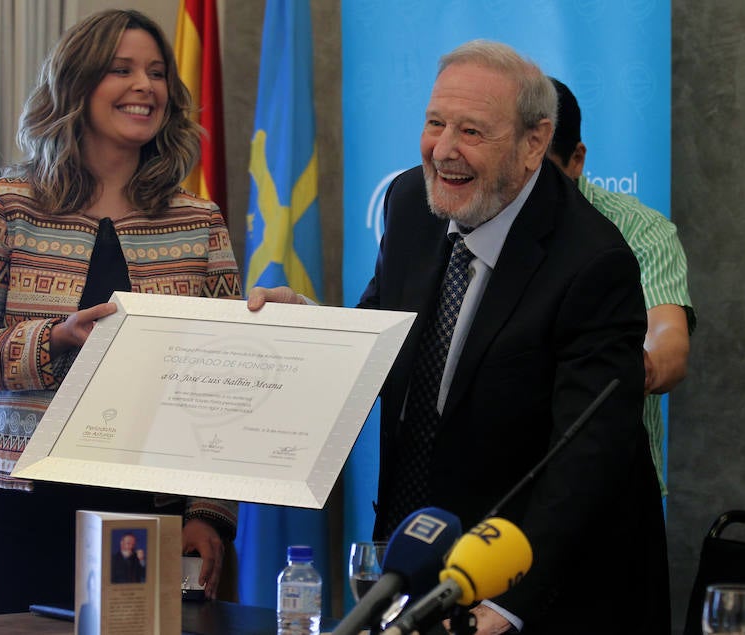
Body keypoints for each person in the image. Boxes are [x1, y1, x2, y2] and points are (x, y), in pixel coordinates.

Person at [248, 40, 670, 634]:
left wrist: (507, 604)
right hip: (416, 560)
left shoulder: (593, 262)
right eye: (435, 123)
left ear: (533, 144)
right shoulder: (408, 205)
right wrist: (313, 331)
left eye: (471, 131)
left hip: (541, 587)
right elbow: (385, 336)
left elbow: (587, 456)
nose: (442, 149)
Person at [0, 9, 241, 615]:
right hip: (18, 513)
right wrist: (55, 340)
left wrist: (209, 515)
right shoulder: (8, 204)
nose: (143, 87)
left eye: (156, 72)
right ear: (76, 85)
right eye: (120, 70)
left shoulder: (198, 221)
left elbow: (222, 385)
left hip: (151, 519)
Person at [547, 77, 695, 496]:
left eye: (541, 174)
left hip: (613, 486)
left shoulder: (639, 230)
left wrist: (627, 368)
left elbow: (669, 342)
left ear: (576, 159)